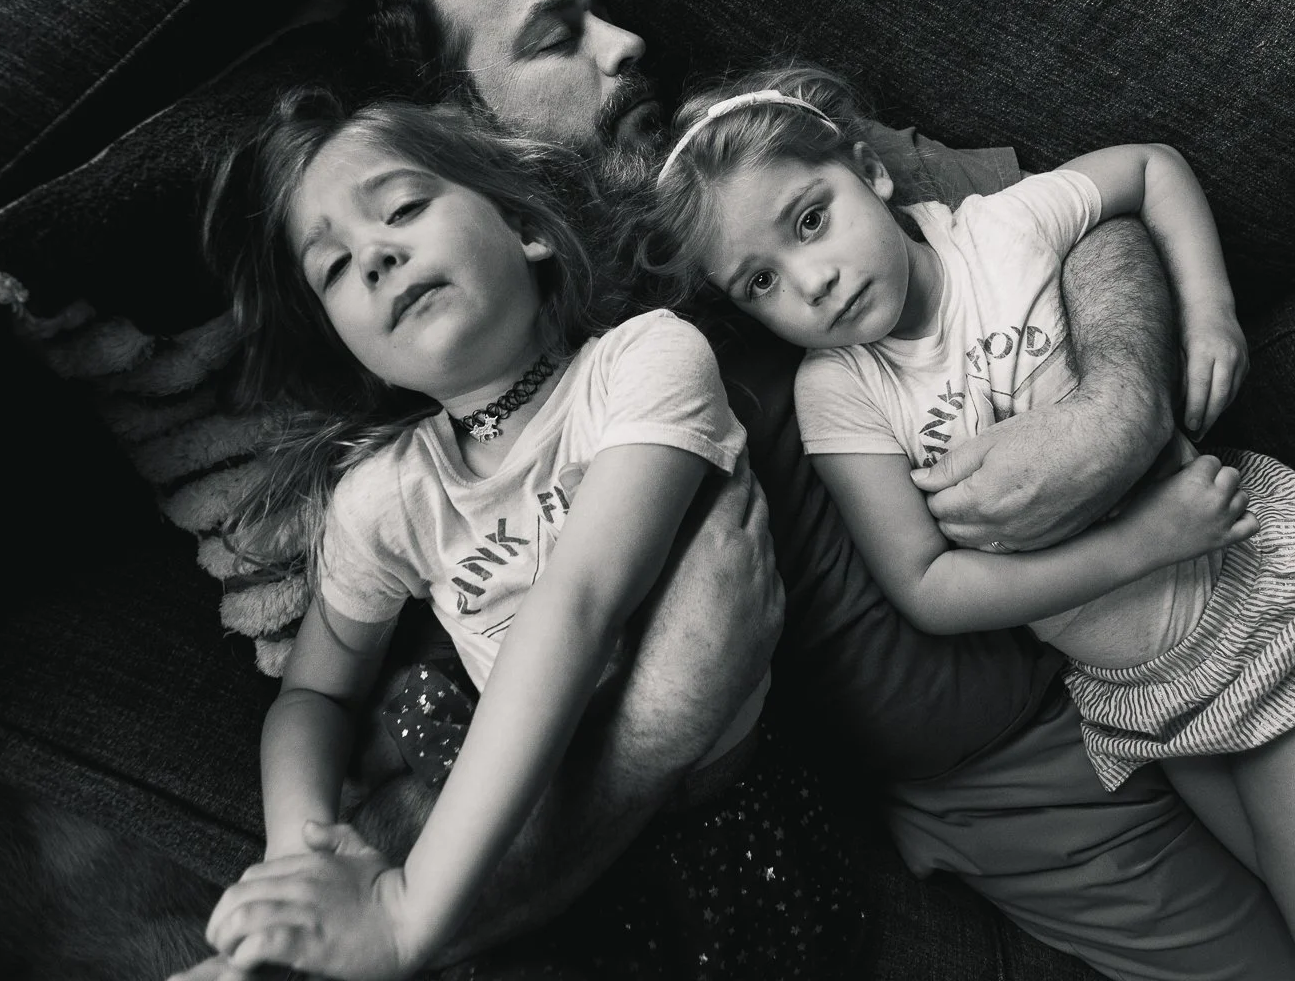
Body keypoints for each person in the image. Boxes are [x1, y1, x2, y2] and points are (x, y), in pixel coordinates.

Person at [340, 0, 1295, 980]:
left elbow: (1069, 215)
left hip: (1149, 623)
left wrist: (1114, 404)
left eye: (601, 9)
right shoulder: (514, 392)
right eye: (558, 36)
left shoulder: (759, 153)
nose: (626, 43)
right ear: (465, 133)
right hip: (1002, 764)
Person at [641, 65, 1295, 981]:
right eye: (760, 281)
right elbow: (928, 589)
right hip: (1137, 693)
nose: (811, 283)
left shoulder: (1004, 230)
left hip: (1241, 609)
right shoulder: (842, 392)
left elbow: (1150, 168)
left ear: (870, 169)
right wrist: (1144, 542)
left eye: (811, 220)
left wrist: (1211, 313)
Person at [180, 92, 860, 980]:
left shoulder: (643, 363)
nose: (378, 255)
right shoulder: (387, 496)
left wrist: (409, 913)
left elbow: (577, 605)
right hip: (510, 824)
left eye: (403, 209)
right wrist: (302, 852)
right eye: (336, 268)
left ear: (525, 226)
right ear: (350, 346)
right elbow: (314, 699)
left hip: (715, 833)